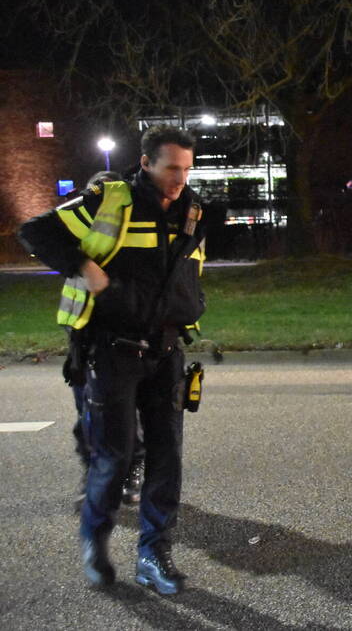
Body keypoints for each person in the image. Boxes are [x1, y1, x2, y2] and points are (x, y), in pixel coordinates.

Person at [19, 125, 206, 595]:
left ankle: (153, 555)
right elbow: (36, 231)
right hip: (111, 349)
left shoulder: (192, 210)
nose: (180, 178)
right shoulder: (110, 201)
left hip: (166, 349)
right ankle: (95, 543)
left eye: (186, 168)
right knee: (114, 458)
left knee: (167, 457)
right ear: (146, 163)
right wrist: (86, 270)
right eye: (171, 168)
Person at [67, 171, 146, 512]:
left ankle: (130, 473)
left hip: (122, 337)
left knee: (124, 413)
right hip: (84, 336)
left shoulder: (131, 235)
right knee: (87, 412)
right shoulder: (78, 231)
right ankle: (93, 475)